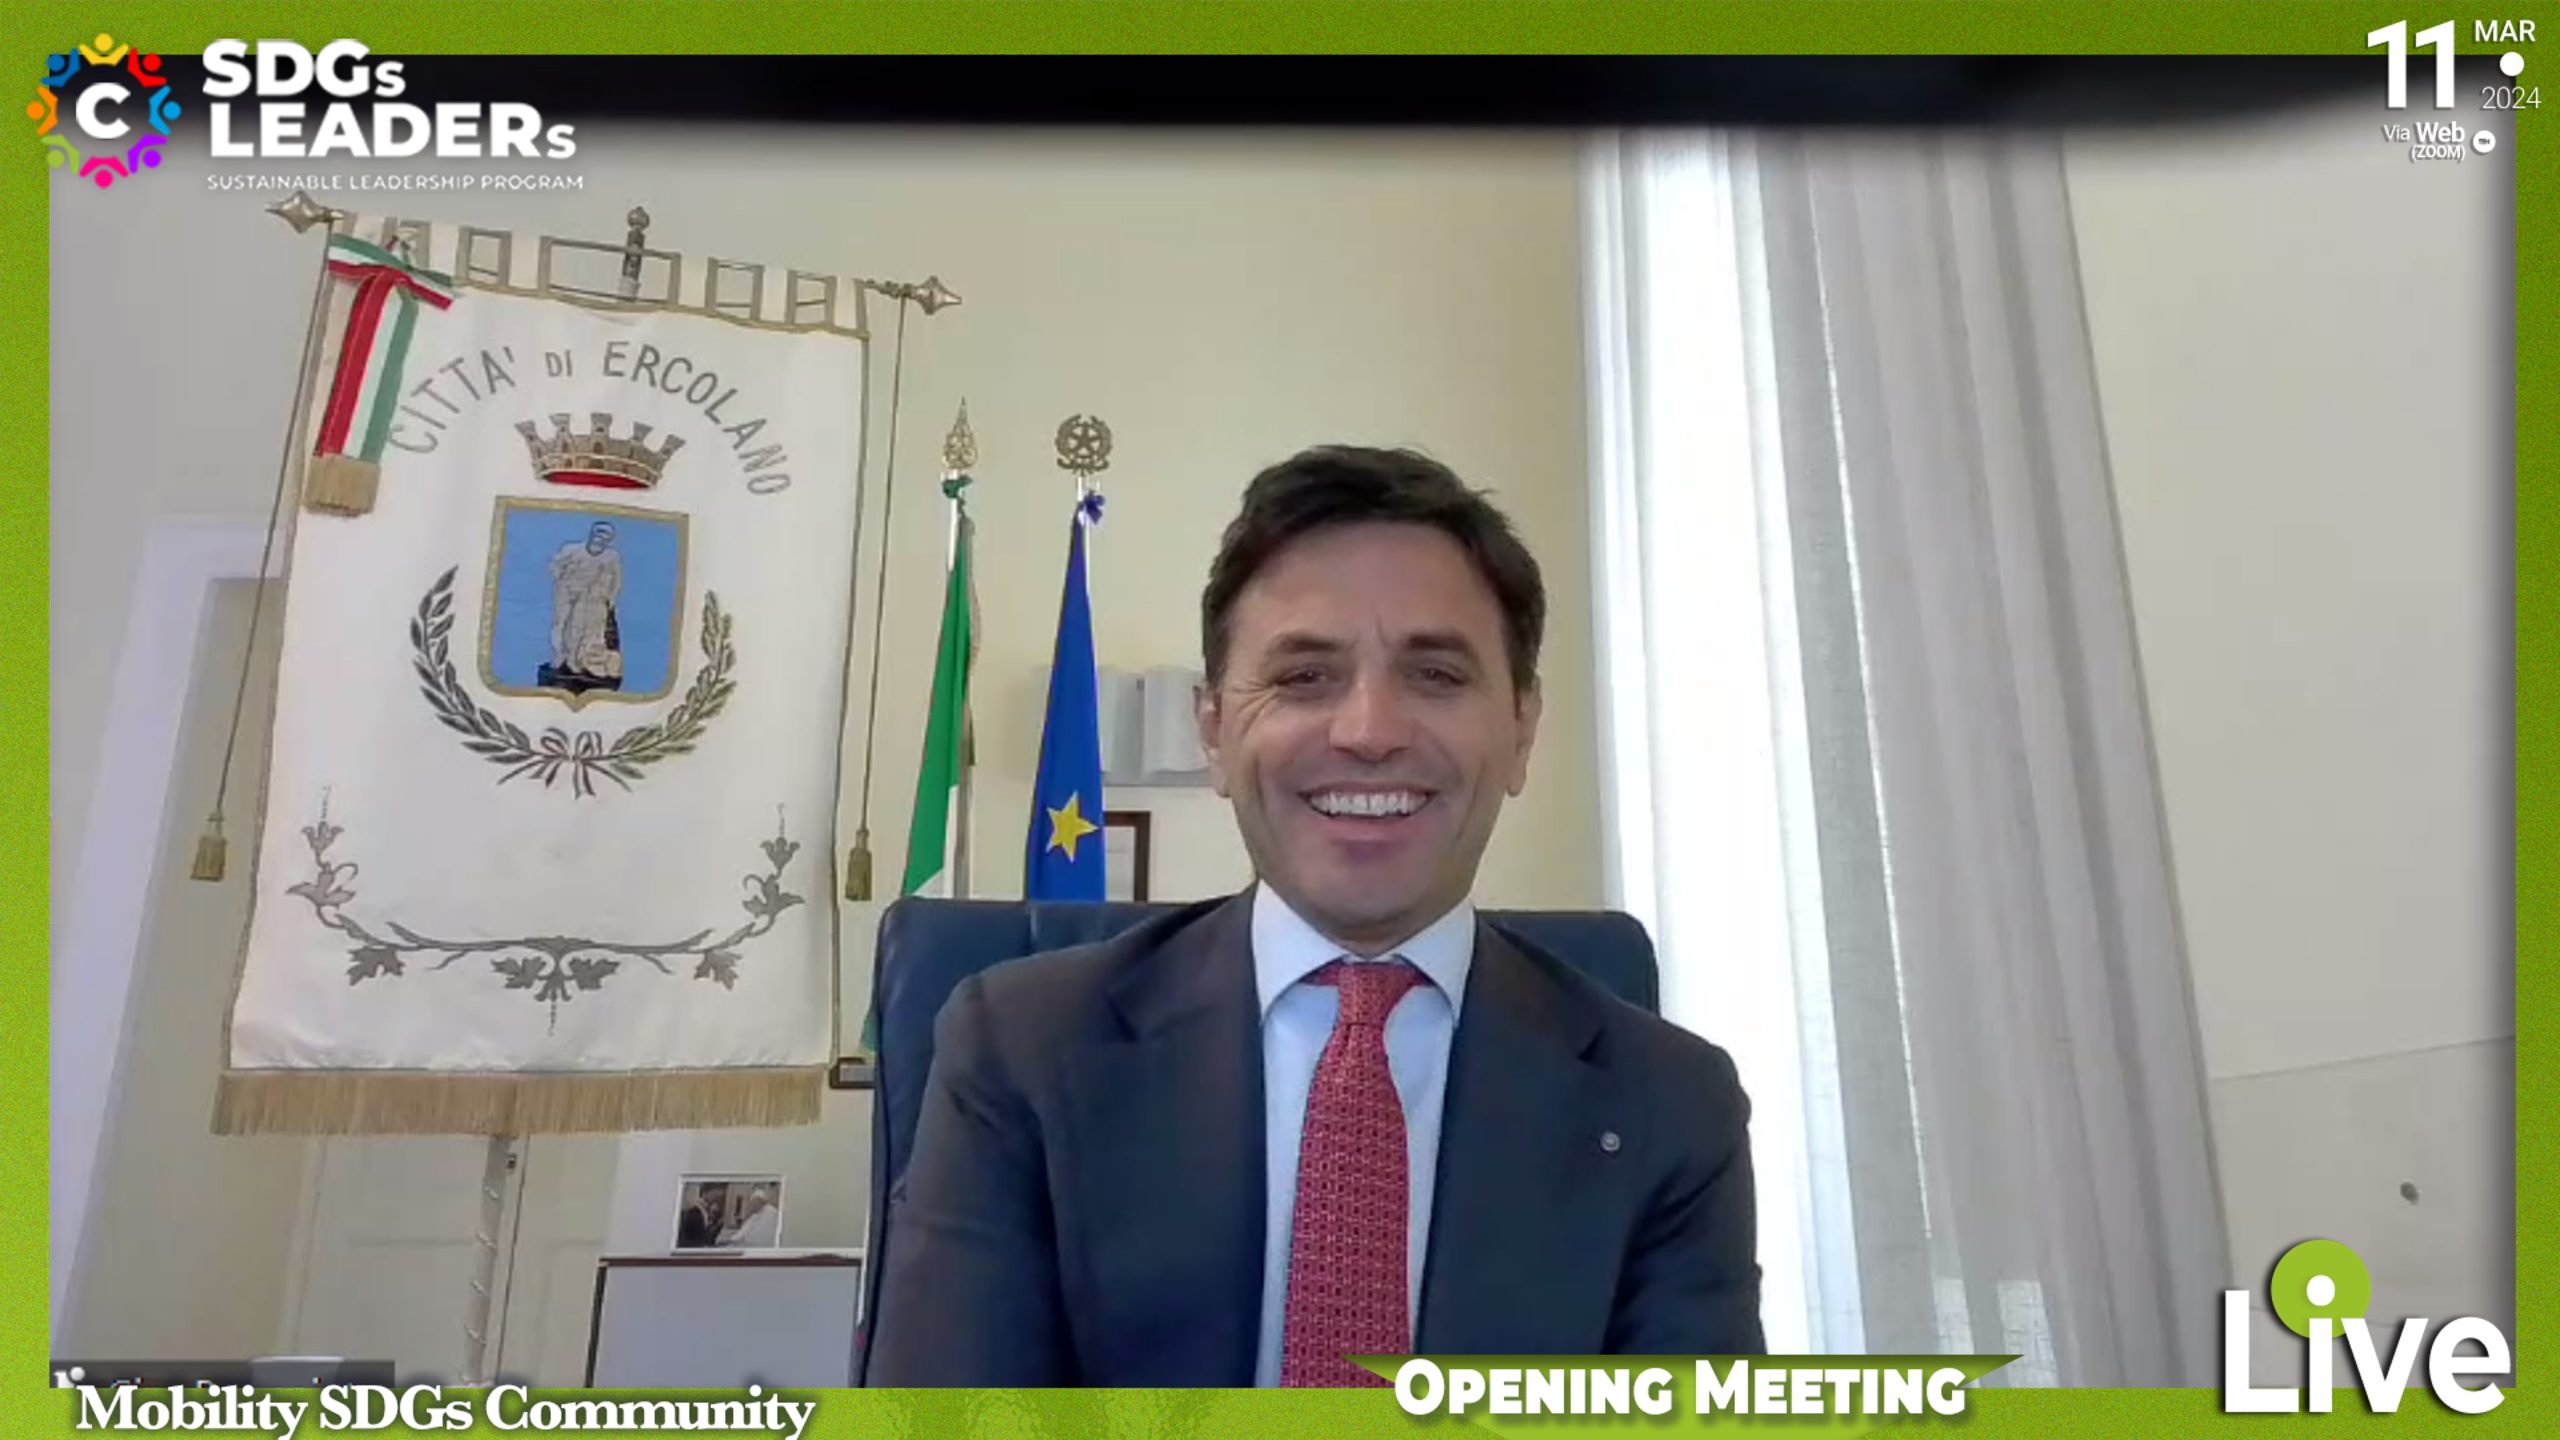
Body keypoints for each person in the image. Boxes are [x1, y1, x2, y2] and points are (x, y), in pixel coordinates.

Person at [864, 446, 1762, 1387]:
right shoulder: (1020, 1051)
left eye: (1436, 675)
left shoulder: (1670, 1105)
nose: (1369, 732)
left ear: (1521, 731)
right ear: (1215, 730)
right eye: (1303, 678)